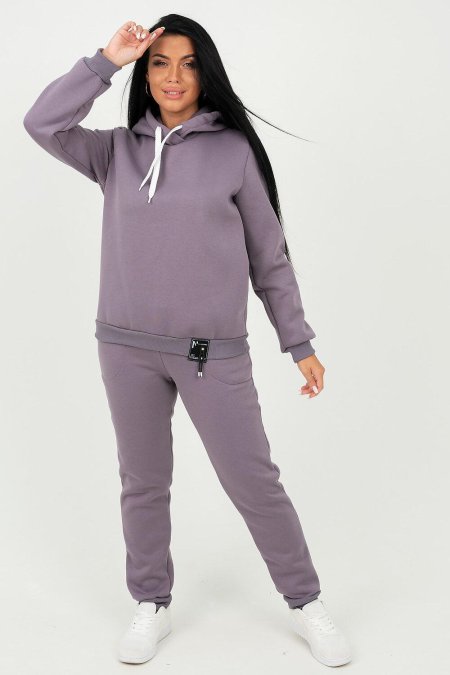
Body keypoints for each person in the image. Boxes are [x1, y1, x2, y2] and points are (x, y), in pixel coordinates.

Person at [23, 14, 351, 668]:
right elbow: (41, 123)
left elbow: (270, 258)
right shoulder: (116, 151)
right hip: (124, 348)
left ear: (207, 74)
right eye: (160, 62)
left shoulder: (233, 152)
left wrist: (299, 342)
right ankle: (151, 602)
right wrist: (106, 60)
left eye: (189, 63)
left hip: (211, 356)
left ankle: (306, 601)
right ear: (144, 74)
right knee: (142, 481)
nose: (173, 76)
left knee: (253, 481)